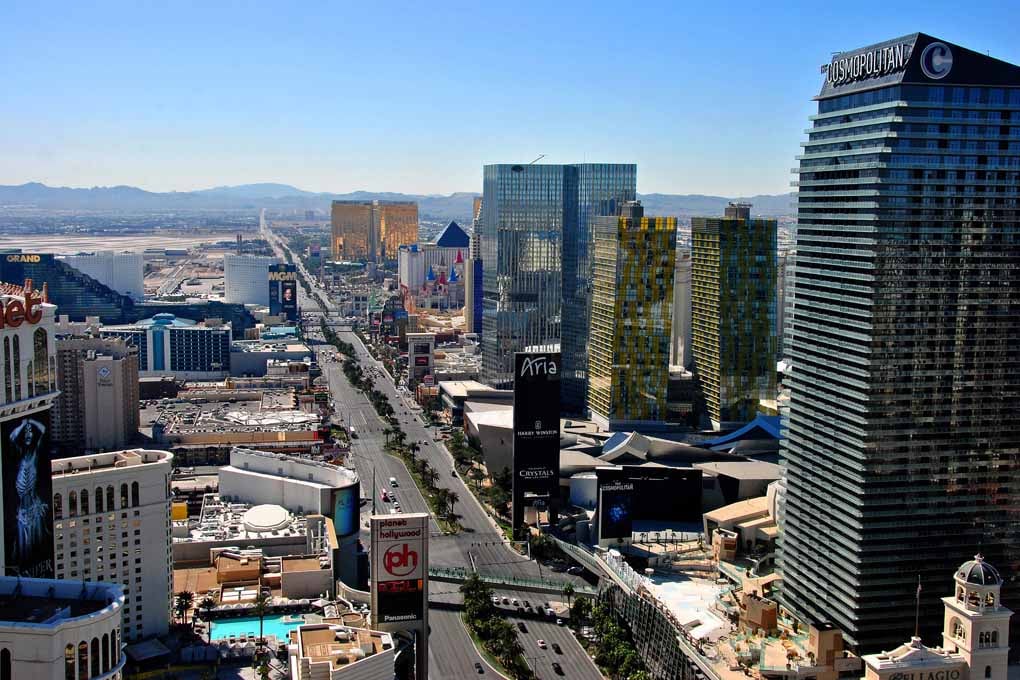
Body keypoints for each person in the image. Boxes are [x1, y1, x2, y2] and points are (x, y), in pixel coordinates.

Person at [9, 417, 50, 568]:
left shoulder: (35, 454)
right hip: (21, 510)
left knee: (36, 544)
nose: (28, 434)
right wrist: (23, 424)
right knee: (22, 548)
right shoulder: (20, 454)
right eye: (25, 433)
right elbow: (12, 436)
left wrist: (31, 420)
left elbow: (43, 430)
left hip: (33, 506)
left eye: (30, 432)